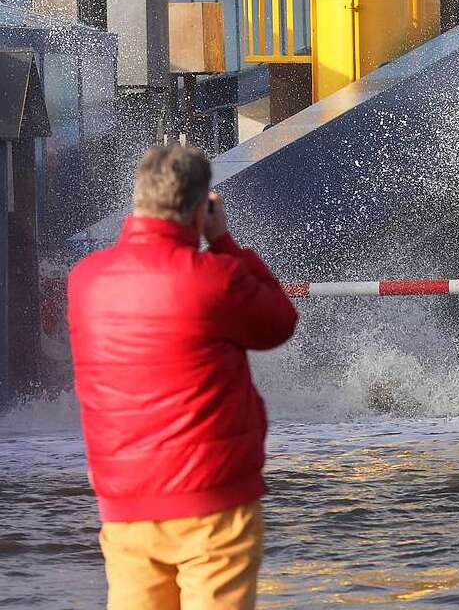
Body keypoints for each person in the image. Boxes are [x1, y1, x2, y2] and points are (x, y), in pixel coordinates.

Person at [67, 145, 298, 610]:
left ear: (137, 202)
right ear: (198, 209)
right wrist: (224, 240)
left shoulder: (86, 280)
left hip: (126, 506)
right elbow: (279, 322)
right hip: (212, 504)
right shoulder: (216, 278)